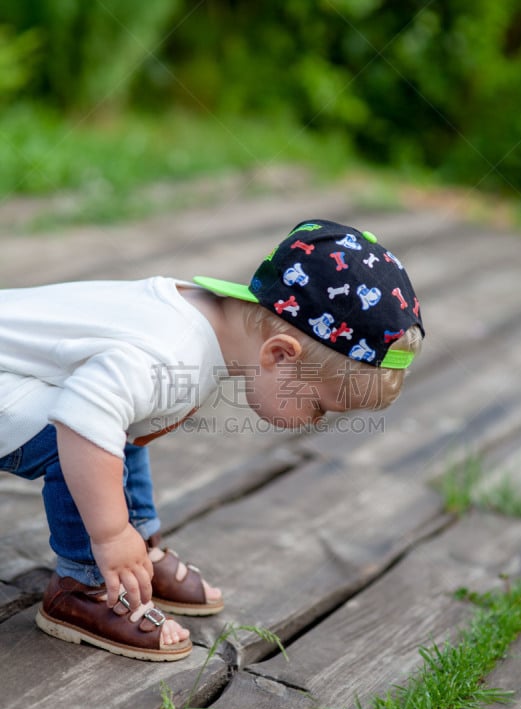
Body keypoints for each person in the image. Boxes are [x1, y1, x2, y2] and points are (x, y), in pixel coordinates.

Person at [0, 219, 424, 661]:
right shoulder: (172, 350)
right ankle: (85, 585)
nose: (314, 422)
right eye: (320, 406)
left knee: (117, 417)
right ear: (280, 354)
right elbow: (84, 417)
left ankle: (137, 555)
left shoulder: (200, 314)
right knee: (82, 435)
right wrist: (110, 535)